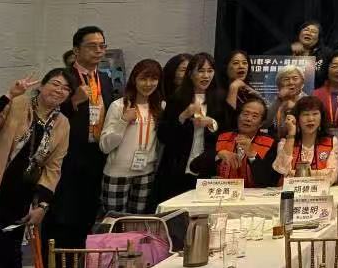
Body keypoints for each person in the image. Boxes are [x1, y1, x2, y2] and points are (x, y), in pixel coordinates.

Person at [0, 70, 74, 268]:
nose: (59, 91)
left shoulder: (62, 123)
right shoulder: (18, 103)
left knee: (12, 253)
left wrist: (42, 205)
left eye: (66, 88)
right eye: (55, 84)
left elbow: (53, 167)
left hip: (21, 194)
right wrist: (9, 95)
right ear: (42, 86)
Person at [47, 26, 117, 251]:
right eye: (92, 46)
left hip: (96, 154)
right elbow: (45, 111)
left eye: (102, 46)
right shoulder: (63, 78)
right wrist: (73, 102)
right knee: (63, 217)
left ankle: (79, 264)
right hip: (67, 155)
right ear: (76, 50)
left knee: (87, 215)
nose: (98, 50)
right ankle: (56, 265)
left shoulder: (104, 79)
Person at [155, 53, 224, 204]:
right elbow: (163, 135)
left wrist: (212, 123)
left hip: (207, 166)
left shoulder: (219, 99)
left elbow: (227, 132)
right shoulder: (177, 98)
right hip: (177, 166)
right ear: (190, 73)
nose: (206, 76)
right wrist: (183, 116)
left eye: (210, 71)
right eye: (201, 71)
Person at [98, 59, 164, 216]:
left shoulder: (160, 107)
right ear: (134, 79)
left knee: (138, 223)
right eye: (143, 78)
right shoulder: (119, 106)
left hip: (146, 174)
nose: (148, 84)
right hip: (117, 174)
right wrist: (123, 121)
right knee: (114, 222)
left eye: (153, 79)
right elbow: (105, 146)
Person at [214, 94, 277, 187]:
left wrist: (252, 155)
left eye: (254, 116)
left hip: (254, 195)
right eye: (245, 114)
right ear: (238, 116)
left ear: (261, 123)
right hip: (224, 191)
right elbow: (198, 165)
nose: (248, 119)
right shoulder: (223, 137)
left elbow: (268, 180)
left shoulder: (270, 142)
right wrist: (219, 154)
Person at [272, 96, 338, 181]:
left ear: (321, 117)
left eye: (315, 114)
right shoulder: (286, 141)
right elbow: (281, 169)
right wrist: (291, 134)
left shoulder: (331, 141)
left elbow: (332, 176)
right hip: (292, 189)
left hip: (320, 189)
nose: (310, 119)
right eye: (305, 114)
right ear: (297, 118)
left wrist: (295, 173)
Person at [220, 49, 258, 130]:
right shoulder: (218, 92)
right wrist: (234, 87)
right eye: (236, 63)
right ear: (226, 67)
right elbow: (227, 123)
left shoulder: (250, 91)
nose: (241, 66)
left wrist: (258, 96)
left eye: (244, 63)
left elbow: (263, 121)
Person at [270, 65, 308, 138]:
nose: (291, 82)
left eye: (295, 78)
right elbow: (265, 123)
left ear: (302, 82)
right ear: (279, 84)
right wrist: (279, 100)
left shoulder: (308, 101)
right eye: (286, 79)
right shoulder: (275, 101)